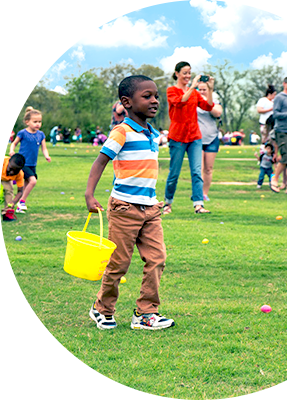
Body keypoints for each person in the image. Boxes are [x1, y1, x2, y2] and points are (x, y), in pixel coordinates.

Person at [85, 75, 175, 331]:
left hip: (151, 209)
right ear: (126, 102)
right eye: (147, 96)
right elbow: (101, 161)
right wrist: (90, 195)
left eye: (156, 96)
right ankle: (102, 308)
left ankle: (146, 313)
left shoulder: (152, 133)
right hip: (125, 207)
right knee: (119, 263)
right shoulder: (121, 131)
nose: (155, 101)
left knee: (157, 258)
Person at [163, 61, 214, 215]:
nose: (187, 75)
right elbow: (180, 102)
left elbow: (208, 106)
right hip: (177, 136)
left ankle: (199, 205)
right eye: (184, 72)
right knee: (174, 173)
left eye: (189, 72)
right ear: (177, 73)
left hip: (194, 137)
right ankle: (168, 203)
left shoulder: (195, 93)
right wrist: (192, 86)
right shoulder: (172, 90)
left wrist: (210, 90)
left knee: (197, 172)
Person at [9, 106, 51, 213]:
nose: (38, 124)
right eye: (35, 121)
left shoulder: (41, 135)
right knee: (33, 181)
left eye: (40, 122)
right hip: (23, 163)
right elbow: (14, 143)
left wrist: (47, 156)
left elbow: (44, 148)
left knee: (26, 185)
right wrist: (11, 150)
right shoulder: (23, 133)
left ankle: (16, 205)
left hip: (33, 164)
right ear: (27, 122)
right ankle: (22, 201)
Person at [197, 81, 223, 202]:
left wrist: (208, 100)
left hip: (212, 138)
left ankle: (204, 193)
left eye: (204, 90)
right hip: (197, 138)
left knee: (208, 168)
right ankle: (197, 194)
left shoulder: (215, 101)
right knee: (199, 168)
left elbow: (217, 113)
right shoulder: (194, 100)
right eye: (200, 89)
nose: (201, 92)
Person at [0, 154, 25, 222]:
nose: (12, 172)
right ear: (8, 161)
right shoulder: (1, 160)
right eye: (10, 168)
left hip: (6, 179)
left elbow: (20, 191)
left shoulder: (20, 174)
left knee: (9, 190)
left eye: (15, 171)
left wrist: (13, 202)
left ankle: (7, 213)